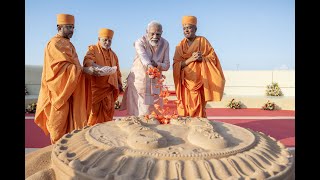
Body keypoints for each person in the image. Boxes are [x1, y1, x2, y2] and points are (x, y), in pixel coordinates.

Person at [35, 14, 94, 144]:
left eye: (73, 27)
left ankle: (66, 152)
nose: (72, 30)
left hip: (70, 89)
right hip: (58, 93)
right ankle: (55, 154)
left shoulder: (69, 44)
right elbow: (58, 69)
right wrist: (83, 70)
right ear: (59, 27)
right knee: (58, 125)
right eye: (68, 27)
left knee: (69, 129)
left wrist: (86, 71)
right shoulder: (54, 44)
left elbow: (74, 66)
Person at [173, 15, 225, 118]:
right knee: (186, 105)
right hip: (185, 82)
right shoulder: (180, 46)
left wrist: (203, 59)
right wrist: (190, 60)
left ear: (195, 29)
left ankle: (199, 123)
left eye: (189, 27)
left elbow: (213, 58)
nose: (186, 30)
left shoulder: (202, 41)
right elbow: (176, 65)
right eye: (184, 28)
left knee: (199, 106)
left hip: (200, 80)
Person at [120, 20, 170, 116]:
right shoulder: (140, 42)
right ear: (146, 32)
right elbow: (144, 59)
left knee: (154, 115)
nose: (155, 37)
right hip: (139, 84)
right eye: (152, 34)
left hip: (155, 84)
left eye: (158, 34)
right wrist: (151, 66)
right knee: (138, 114)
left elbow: (167, 65)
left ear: (162, 33)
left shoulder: (165, 44)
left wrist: (157, 64)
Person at [83, 28, 123, 126]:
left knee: (108, 114)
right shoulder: (93, 49)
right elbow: (88, 62)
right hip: (96, 91)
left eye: (109, 40)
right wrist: (99, 68)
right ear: (99, 39)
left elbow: (117, 72)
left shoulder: (114, 55)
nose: (107, 42)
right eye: (105, 40)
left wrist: (119, 84)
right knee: (94, 115)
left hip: (109, 91)